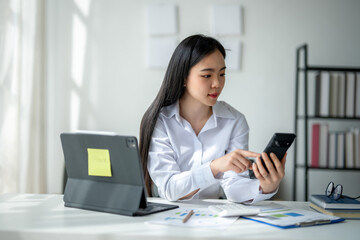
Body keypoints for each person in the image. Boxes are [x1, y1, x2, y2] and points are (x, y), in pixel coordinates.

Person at [139, 34, 286, 203]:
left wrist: (265, 187)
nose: (217, 83)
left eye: (222, 74)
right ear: (183, 78)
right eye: (207, 75)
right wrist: (215, 167)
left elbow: (234, 188)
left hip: (213, 220)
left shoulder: (235, 121)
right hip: (169, 217)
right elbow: (170, 189)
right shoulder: (160, 121)